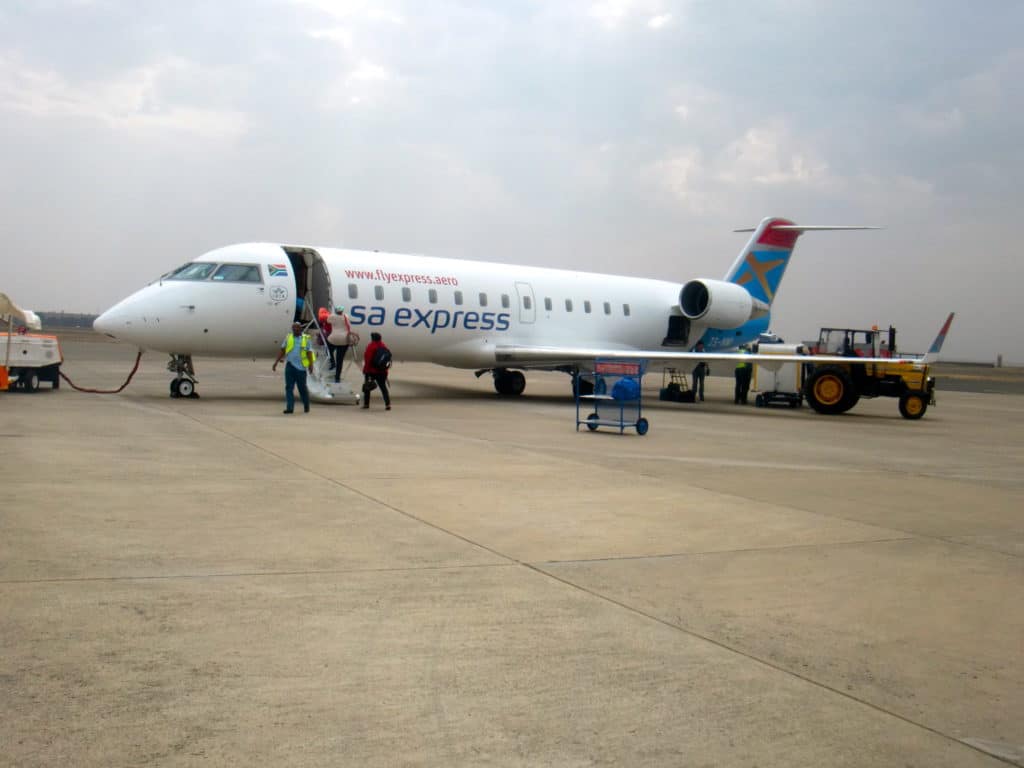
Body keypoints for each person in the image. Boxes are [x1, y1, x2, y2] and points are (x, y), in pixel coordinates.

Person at [272, 322, 314, 414]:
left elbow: (309, 353)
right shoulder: (288, 338)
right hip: (290, 366)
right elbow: (282, 350)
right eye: (294, 328)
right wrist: (276, 362)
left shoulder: (306, 339)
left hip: (301, 368)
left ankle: (306, 404)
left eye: (297, 328)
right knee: (289, 387)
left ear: (301, 329)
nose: (295, 330)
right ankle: (290, 407)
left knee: (302, 388)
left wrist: (311, 365)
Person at [362, 331, 391, 410]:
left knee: (367, 387)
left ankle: (366, 404)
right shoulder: (384, 346)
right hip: (382, 372)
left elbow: (368, 359)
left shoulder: (371, 346)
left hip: (371, 371)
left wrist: (365, 370)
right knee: (383, 388)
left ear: (373, 339)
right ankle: (387, 404)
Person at [326, 305, 354, 382]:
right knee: (340, 360)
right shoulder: (346, 316)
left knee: (328, 350)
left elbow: (327, 321)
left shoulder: (332, 316)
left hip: (334, 338)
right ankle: (337, 378)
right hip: (344, 340)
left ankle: (332, 363)